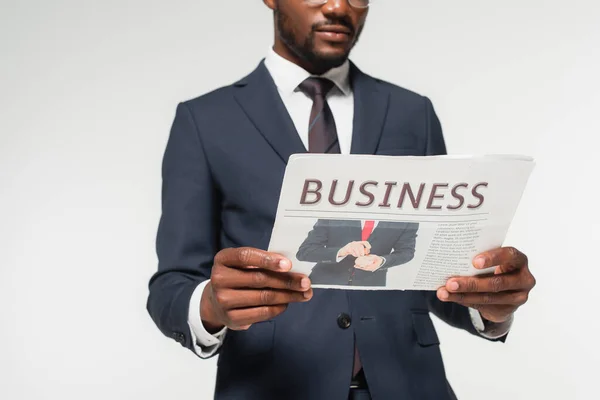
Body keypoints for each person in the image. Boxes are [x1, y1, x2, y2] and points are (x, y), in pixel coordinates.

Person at [146, 1, 537, 399]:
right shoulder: (205, 120)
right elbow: (172, 284)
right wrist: (210, 304)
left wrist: (490, 303)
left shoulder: (412, 112)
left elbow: (431, 278)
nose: (338, 6)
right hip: (271, 387)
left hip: (412, 387)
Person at [296, 219, 419, 286]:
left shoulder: (407, 219)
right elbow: (304, 252)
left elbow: (406, 252)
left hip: (371, 288)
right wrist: (342, 251)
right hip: (323, 285)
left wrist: (382, 261)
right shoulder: (334, 211)